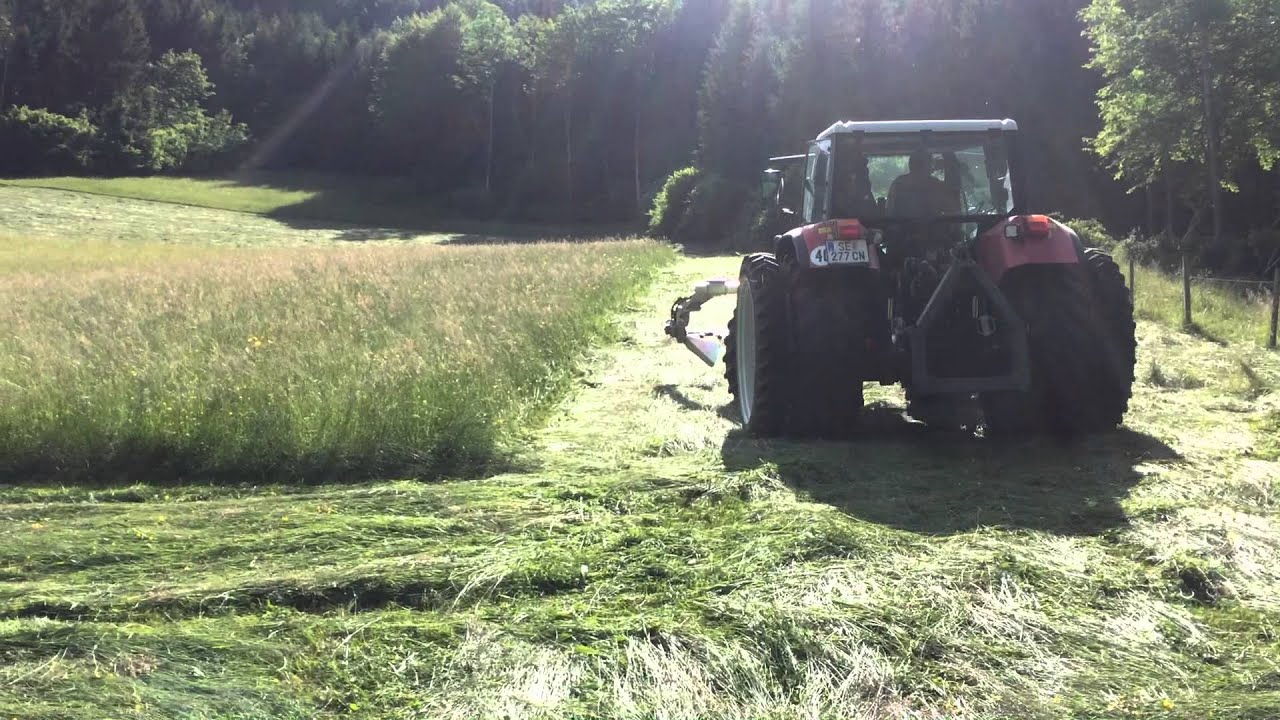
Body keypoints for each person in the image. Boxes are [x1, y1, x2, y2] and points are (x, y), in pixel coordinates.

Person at [887, 150, 958, 218]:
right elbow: (952, 211)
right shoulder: (935, 184)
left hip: (902, 226)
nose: (932, 169)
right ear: (927, 165)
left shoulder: (898, 182)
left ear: (910, 164)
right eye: (931, 164)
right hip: (930, 226)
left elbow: (890, 211)